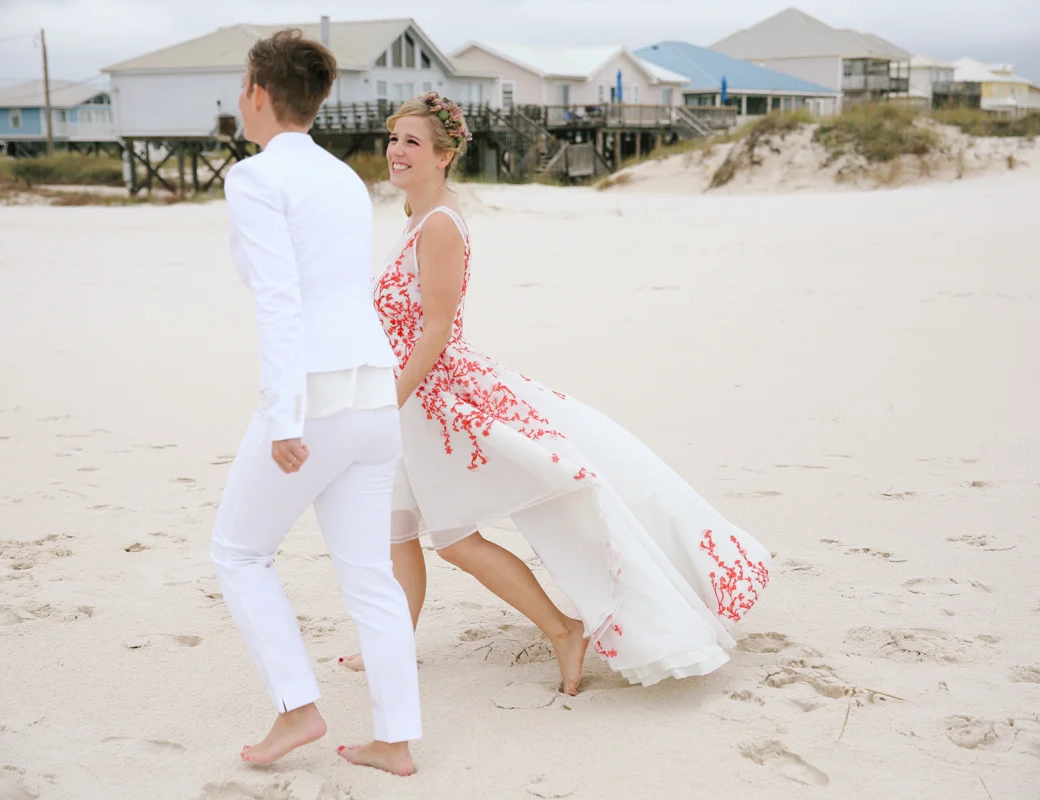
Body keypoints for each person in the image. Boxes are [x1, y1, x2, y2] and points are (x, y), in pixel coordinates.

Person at [342, 92, 772, 694]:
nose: (397, 151)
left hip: (433, 400)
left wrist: (390, 400)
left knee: (456, 541)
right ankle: (389, 647)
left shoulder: (439, 225)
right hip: (411, 397)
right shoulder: (420, 216)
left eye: (412, 142)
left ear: (444, 155)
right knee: (395, 530)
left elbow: (438, 328)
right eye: (393, 140)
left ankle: (564, 629)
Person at [209, 30, 419, 776]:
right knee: (368, 574)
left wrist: (284, 416)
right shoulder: (343, 179)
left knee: (238, 551)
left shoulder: (256, 178)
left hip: (316, 396)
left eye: (243, 85)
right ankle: (395, 741)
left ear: (261, 94)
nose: (240, 97)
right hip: (372, 394)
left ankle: (298, 705)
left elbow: (279, 301)